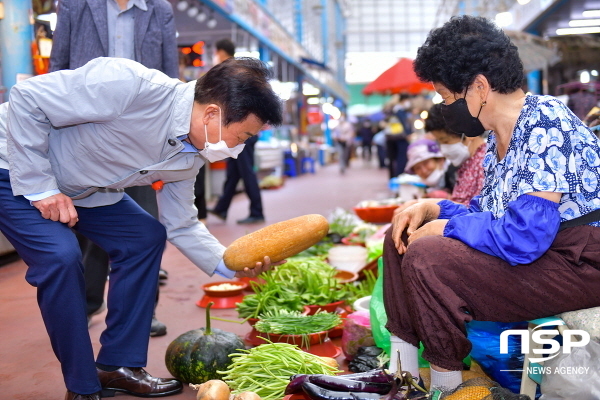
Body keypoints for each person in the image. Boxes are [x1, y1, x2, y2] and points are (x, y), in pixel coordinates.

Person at [0, 57, 283, 400]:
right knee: (60, 257)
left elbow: (182, 223)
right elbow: (27, 97)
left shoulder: (191, 154)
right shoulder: (129, 85)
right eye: (242, 136)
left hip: (83, 190)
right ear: (211, 114)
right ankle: (82, 384)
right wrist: (41, 187)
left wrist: (235, 264)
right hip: (16, 170)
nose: (238, 150)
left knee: (144, 238)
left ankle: (117, 365)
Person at [382, 15, 600, 395]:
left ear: (479, 88)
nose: (446, 108)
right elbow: (489, 220)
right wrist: (435, 210)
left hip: (578, 263)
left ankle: (447, 387)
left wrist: (446, 229)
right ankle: (403, 373)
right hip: (543, 255)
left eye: (447, 98)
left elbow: (524, 237)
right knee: (403, 231)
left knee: (429, 256)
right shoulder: (498, 141)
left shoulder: (545, 121)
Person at [49, 0, 179, 335]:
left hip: (140, 136)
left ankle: (143, 312)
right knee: (87, 225)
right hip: (84, 132)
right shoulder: (76, 5)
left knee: (146, 226)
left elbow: (170, 74)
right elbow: (58, 65)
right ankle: (86, 305)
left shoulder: (159, 10)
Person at [208, 38, 265, 224]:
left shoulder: (230, 71)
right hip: (243, 130)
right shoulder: (240, 70)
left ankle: (257, 211)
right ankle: (222, 208)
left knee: (246, 171)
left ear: (220, 52)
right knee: (233, 172)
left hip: (242, 132)